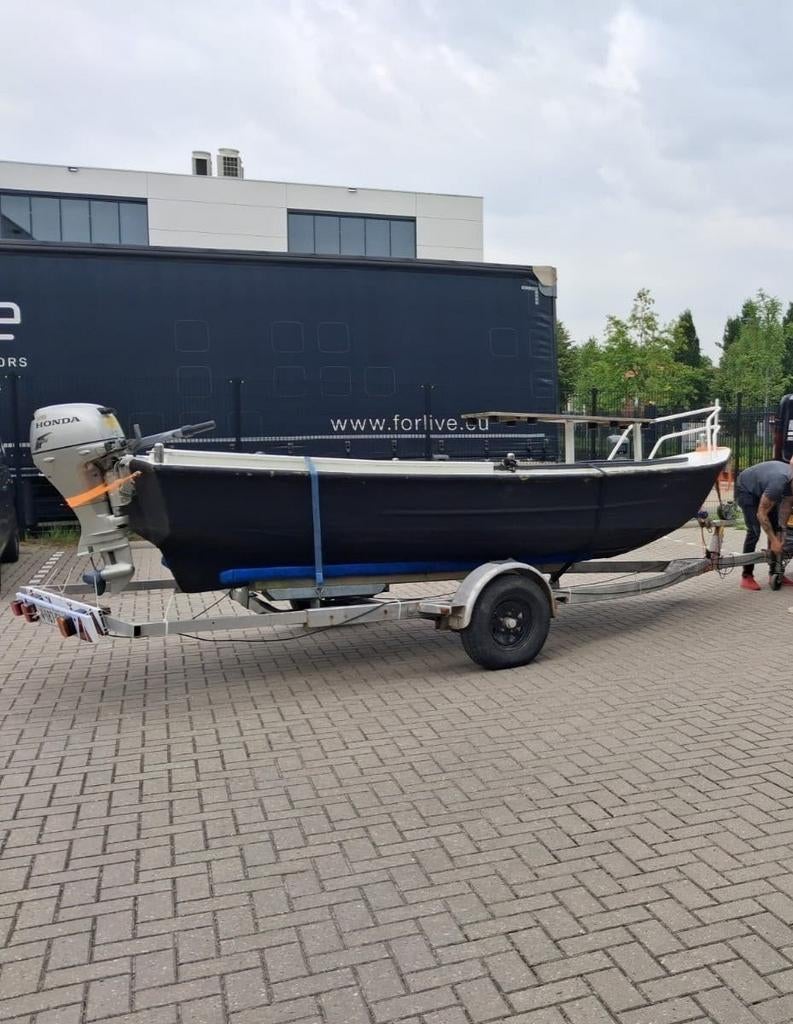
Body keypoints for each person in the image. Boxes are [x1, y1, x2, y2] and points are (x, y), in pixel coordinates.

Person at [734, 457, 793, 590]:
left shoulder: (790, 483)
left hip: (763, 489)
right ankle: (747, 575)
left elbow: (787, 507)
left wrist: (781, 531)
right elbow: (761, 514)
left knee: (776, 527)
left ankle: (775, 572)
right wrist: (774, 541)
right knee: (754, 531)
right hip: (746, 490)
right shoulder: (779, 483)